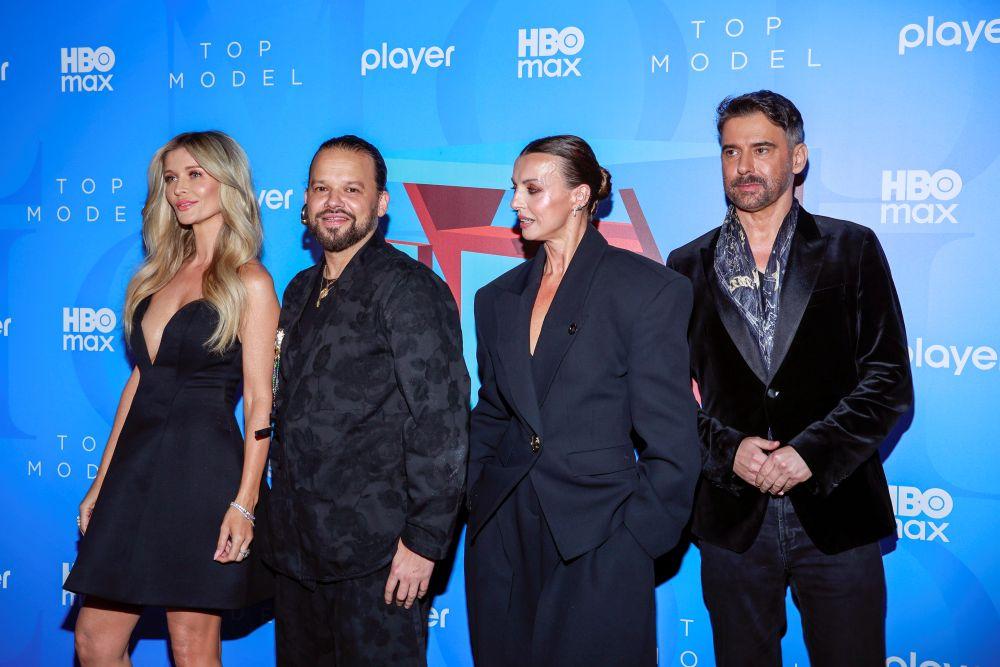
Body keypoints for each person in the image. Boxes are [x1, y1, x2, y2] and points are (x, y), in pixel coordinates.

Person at [667, 90, 914, 666]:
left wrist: (811, 453)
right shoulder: (685, 266)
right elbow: (661, 396)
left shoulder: (851, 247)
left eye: (761, 149)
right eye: (731, 152)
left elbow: (888, 380)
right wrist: (727, 451)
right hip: (733, 519)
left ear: (797, 158)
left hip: (838, 509)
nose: (743, 166)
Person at [465, 135, 701, 666]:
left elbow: (673, 438)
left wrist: (635, 541)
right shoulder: (496, 298)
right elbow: (493, 412)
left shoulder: (646, 289)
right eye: (514, 188)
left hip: (600, 532)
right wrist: (476, 497)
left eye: (532, 189)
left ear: (579, 196)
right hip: (503, 534)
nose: (515, 202)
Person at [66, 130, 280, 665]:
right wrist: (102, 481)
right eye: (170, 178)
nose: (179, 189)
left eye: (194, 175)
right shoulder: (156, 276)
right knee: (94, 642)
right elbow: (140, 382)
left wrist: (245, 502)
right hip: (136, 470)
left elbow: (261, 401)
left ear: (226, 182)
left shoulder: (249, 281)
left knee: (191, 644)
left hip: (203, 474)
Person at [262, 135, 469, 666]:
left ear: (381, 203)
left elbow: (441, 422)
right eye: (321, 189)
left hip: (378, 558)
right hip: (298, 554)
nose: (334, 202)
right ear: (305, 200)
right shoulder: (298, 290)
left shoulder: (408, 289)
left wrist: (424, 542)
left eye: (351, 189)